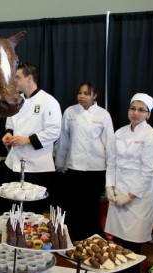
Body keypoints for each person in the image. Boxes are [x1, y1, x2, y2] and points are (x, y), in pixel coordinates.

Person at [105, 93, 153, 273]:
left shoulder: (152, 136)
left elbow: (148, 172)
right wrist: (110, 187)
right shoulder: (119, 133)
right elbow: (111, 162)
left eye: (141, 110)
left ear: (148, 114)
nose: (135, 113)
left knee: (133, 241)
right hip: (119, 188)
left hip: (140, 194)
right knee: (118, 239)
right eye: (133, 108)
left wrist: (129, 196)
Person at [55, 82, 115, 241]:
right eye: (80, 93)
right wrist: (59, 163)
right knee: (73, 204)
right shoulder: (70, 112)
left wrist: (111, 169)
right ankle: (72, 236)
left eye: (87, 93)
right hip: (74, 166)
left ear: (95, 95)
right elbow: (64, 140)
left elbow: (109, 143)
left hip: (96, 168)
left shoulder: (103, 115)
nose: (82, 96)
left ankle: (92, 236)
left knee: (91, 205)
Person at [1, 63, 62, 215]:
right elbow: (10, 123)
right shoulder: (16, 100)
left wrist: (27, 140)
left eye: (17, 77)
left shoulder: (49, 101)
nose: (14, 81)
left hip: (37, 165)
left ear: (29, 78)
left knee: (32, 210)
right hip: (14, 162)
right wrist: (8, 134)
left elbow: (54, 131)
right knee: (11, 205)